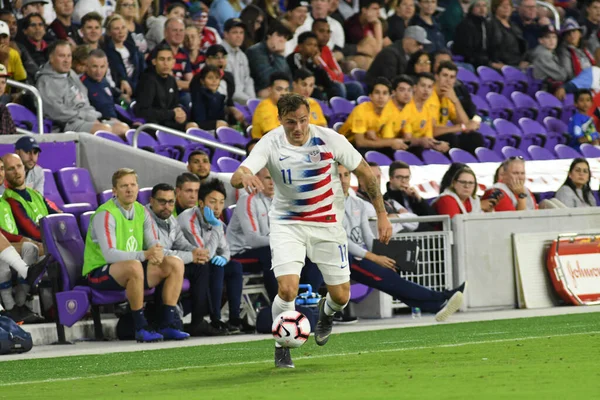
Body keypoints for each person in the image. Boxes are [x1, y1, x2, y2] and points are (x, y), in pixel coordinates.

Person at [230, 93, 393, 368]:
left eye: (303, 120)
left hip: (328, 225)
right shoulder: (270, 142)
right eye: (291, 122)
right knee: (287, 289)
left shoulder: (330, 139)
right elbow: (238, 174)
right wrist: (245, 175)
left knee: (341, 296)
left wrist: (382, 214)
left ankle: (326, 312)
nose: (298, 128)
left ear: (310, 117)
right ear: (280, 119)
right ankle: (282, 345)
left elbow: (365, 172)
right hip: (287, 224)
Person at [338, 163, 466, 321]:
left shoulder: (359, 204)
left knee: (391, 279)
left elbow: (367, 236)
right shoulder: (327, 205)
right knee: (389, 279)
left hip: (360, 256)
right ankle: (442, 296)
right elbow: (342, 241)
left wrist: (382, 255)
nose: (343, 180)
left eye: (346, 175)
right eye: (337, 176)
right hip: (344, 258)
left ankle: (435, 306)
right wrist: (375, 258)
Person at [83, 168, 190, 342]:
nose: (129, 189)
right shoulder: (105, 214)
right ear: (115, 191)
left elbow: (153, 243)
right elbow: (110, 255)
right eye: (124, 186)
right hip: (99, 273)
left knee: (174, 263)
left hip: (132, 269)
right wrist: (146, 254)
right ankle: (140, 326)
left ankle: (168, 324)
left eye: (133, 185)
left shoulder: (141, 211)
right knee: (134, 265)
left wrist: (156, 253)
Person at [227, 167, 323, 301]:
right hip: (239, 254)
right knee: (274, 254)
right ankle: (280, 305)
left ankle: (306, 301)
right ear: (257, 179)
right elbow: (253, 241)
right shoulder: (247, 200)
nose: (272, 182)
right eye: (267, 178)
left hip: (270, 250)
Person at [146, 183, 224, 336]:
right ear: (152, 201)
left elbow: (180, 242)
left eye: (170, 202)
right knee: (176, 265)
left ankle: (198, 321)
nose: (167, 206)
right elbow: (160, 252)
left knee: (202, 266)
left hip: (170, 263)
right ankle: (166, 320)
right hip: (152, 265)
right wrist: (192, 256)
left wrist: (196, 251)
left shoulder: (170, 219)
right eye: (162, 201)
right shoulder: (145, 219)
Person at [178, 179, 245, 334]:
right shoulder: (188, 220)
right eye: (213, 202)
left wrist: (224, 258)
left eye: (221, 202)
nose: (217, 207)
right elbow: (204, 254)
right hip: (187, 263)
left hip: (205, 262)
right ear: (201, 203)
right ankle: (216, 320)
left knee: (234, 267)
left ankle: (234, 319)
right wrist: (216, 227)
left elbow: (226, 250)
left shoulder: (217, 221)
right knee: (215, 266)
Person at [37, 40, 128, 135]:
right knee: (104, 131)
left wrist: (93, 116)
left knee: (123, 129)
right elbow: (56, 112)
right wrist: (85, 116)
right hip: (68, 124)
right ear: (51, 58)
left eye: (69, 56)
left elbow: (84, 100)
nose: (66, 60)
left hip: (87, 118)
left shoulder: (71, 74)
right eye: (62, 56)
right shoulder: (45, 81)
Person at [0, 157, 47, 324]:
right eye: (9, 168)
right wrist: (22, 238)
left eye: (1, 169)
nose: (0, 173)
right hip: (4, 246)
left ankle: (20, 304)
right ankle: (10, 307)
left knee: (30, 248)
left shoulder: (2, 202)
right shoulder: (9, 198)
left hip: (8, 244)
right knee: (6, 254)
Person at [339, 77, 408, 158]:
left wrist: (394, 142)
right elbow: (360, 143)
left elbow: (386, 139)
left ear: (389, 98)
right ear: (370, 96)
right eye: (377, 93)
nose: (381, 97)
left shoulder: (389, 112)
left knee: (394, 150)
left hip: (367, 144)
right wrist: (391, 142)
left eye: (385, 93)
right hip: (346, 145)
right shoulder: (361, 110)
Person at [134, 44, 197, 132]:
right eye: (162, 59)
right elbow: (143, 111)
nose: (166, 63)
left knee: (192, 126)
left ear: (173, 62)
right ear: (154, 61)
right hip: (154, 126)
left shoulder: (171, 80)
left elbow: (174, 106)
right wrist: (172, 114)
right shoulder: (148, 80)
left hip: (168, 123)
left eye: (169, 59)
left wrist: (181, 114)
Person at [430, 61, 484, 154]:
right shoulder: (429, 95)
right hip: (424, 136)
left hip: (441, 135)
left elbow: (466, 125)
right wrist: (462, 127)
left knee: (474, 137)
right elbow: (432, 131)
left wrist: (455, 100)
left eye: (452, 77)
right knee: (450, 138)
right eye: (445, 75)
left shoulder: (448, 97)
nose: (448, 80)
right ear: (436, 76)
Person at [3, 153, 58, 241]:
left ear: (24, 168)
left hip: (51, 240)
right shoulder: (10, 199)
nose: (17, 172)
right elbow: (34, 233)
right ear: (4, 173)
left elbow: (57, 218)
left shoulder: (35, 194)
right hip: (38, 248)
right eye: (11, 169)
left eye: (19, 166)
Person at [356, 161, 419, 234]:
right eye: (371, 177)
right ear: (360, 180)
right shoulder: (357, 202)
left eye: (378, 176)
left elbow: (415, 221)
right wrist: (399, 218)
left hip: (402, 240)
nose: (376, 180)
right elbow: (375, 223)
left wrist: (395, 216)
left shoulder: (389, 202)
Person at [80, 48, 131, 135]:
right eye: (94, 66)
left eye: (102, 67)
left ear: (107, 66)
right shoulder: (81, 84)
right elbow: (84, 110)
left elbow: (117, 98)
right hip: (99, 124)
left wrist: (125, 102)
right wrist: (106, 119)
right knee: (125, 131)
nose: (99, 71)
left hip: (115, 120)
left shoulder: (104, 82)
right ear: (87, 66)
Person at [365, 25, 430, 89]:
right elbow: (390, 81)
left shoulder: (408, 54)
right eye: (418, 43)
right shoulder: (390, 54)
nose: (421, 47)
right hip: (377, 91)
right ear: (407, 39)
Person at [403, 72, 450, 155]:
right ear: (415, 87)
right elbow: (406, 139)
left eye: (429, 87)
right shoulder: (406, 107)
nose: (426, 90)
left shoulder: (427, 110)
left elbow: (429, 137)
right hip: (404, 147)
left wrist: (437, 144)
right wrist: (421, 141)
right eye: (423, 85)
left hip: (418, 145)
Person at [384, 161, 436, 229]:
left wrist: (419, 199)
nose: (404, 181)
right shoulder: (386, 199)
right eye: (399, 177)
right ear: (391, 178)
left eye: (407, 177)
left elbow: (434, 221)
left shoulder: (412, 197)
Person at [103, 14, 145, 96]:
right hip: (121, 90)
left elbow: (143, 69)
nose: (121, 32)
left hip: (139, 87)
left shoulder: (133, 48)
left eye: (123, 27)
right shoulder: (107, 52)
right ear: (109, 32)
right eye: (116, 29)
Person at [247, 22, 292, 97]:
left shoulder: (278, 53)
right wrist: (279, 55)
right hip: (256, 94)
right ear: (269, 35)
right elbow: (267, 79)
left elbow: (289, 80)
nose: (282, 40)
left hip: (275, 93)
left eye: (285, 37)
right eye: (279, 35)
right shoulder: (256, 51)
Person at [286, 31, 332, 100]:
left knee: (335, 87)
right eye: (309, 45)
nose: (313, 48)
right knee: (317, 93)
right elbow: (300, 77)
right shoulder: (292, 59)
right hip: (294, 93)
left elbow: (327, 83)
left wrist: (317, 65)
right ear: (300, 47)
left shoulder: (311, 61)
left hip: (308, 93)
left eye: (315, 45)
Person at [222, 18, 256, 104]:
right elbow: (229, 87)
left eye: (241, 32)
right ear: (226, 34)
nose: (239, 36)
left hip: (243, 100)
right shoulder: (220, 54)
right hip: (228, 102)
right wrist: (249, 101)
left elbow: (248, 80)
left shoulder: (242, 55)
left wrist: (252, 99)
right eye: (235, 32)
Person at [488, 0, 528, 69]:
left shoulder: (515, 26)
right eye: (502, 6)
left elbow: (522, 46)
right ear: (495, 8)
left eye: (508, 5)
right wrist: (492, 63)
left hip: (517, 63)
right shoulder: (490, 25)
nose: (506, 8)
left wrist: (525, 60)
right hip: (501, 65)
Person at [251, 72, 290, 139]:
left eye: (286, 90)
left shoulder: (285, 108)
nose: (283, 93)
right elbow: (273, 136)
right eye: (279, 89)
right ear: (270, 90)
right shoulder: (264, 107)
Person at [451, 0, 489, 68]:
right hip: (469, 61)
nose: (482, 8)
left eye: (484, 5)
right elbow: (466, 51)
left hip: (483, 60)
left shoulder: (486, 24)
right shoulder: (465, 25)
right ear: (471, 8)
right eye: (478, 6)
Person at [190, 65, 228, 130]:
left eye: (217, 78)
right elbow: (199, 122)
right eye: (210, 78)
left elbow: (222, 119)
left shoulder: (220, 97)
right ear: (202, 81)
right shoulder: (199, 96)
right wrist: (216, 124)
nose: (214, 81)